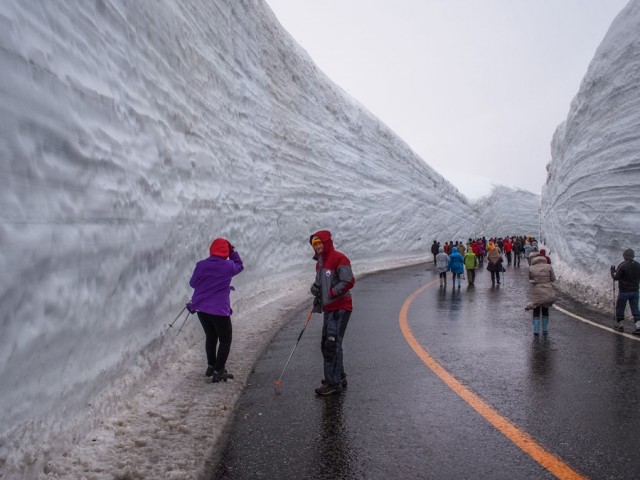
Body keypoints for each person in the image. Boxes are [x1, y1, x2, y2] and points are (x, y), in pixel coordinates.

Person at [188, 238, 244, 383]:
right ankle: (219, 370)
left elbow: (193, 283)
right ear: (226, 252)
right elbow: (240, 265)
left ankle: (211, 366)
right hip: (219, 311)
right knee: (225, 340)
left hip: (201, 308)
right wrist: (233, 252)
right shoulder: (229, 266)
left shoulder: (201, 265)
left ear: (211, 249)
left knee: (211, 337)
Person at [309, 230, 355, 396]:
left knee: (331, 345)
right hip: (329, 309)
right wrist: (316, 291)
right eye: (315, 244)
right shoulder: (319, 263)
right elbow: (319, 283)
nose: (318, 246)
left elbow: (349, 280)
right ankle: (338, 376)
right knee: (327, 343)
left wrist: (332, 293)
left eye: (320, 243)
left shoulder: (339, 258)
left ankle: (333, 383)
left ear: (327, 242)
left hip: (340, 308)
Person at [610, 248, 640, 334]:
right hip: (635, 291)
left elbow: (616, 277)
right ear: (633, 256)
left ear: (625, 256)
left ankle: (620, 326)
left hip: (624, 291)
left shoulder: (623, 265)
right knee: (635, 309)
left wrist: (612, 271)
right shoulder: (638, 265)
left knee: (620, 308)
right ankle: (638, 327)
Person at [526, 254, 556, 335]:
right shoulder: (549, 267)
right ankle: (545, 329)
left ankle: (536, 330)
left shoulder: (531, 268)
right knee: (545, 309)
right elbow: (553, 278)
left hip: (536, 291)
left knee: (536, 309)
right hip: (547, 290)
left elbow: (530, 279)